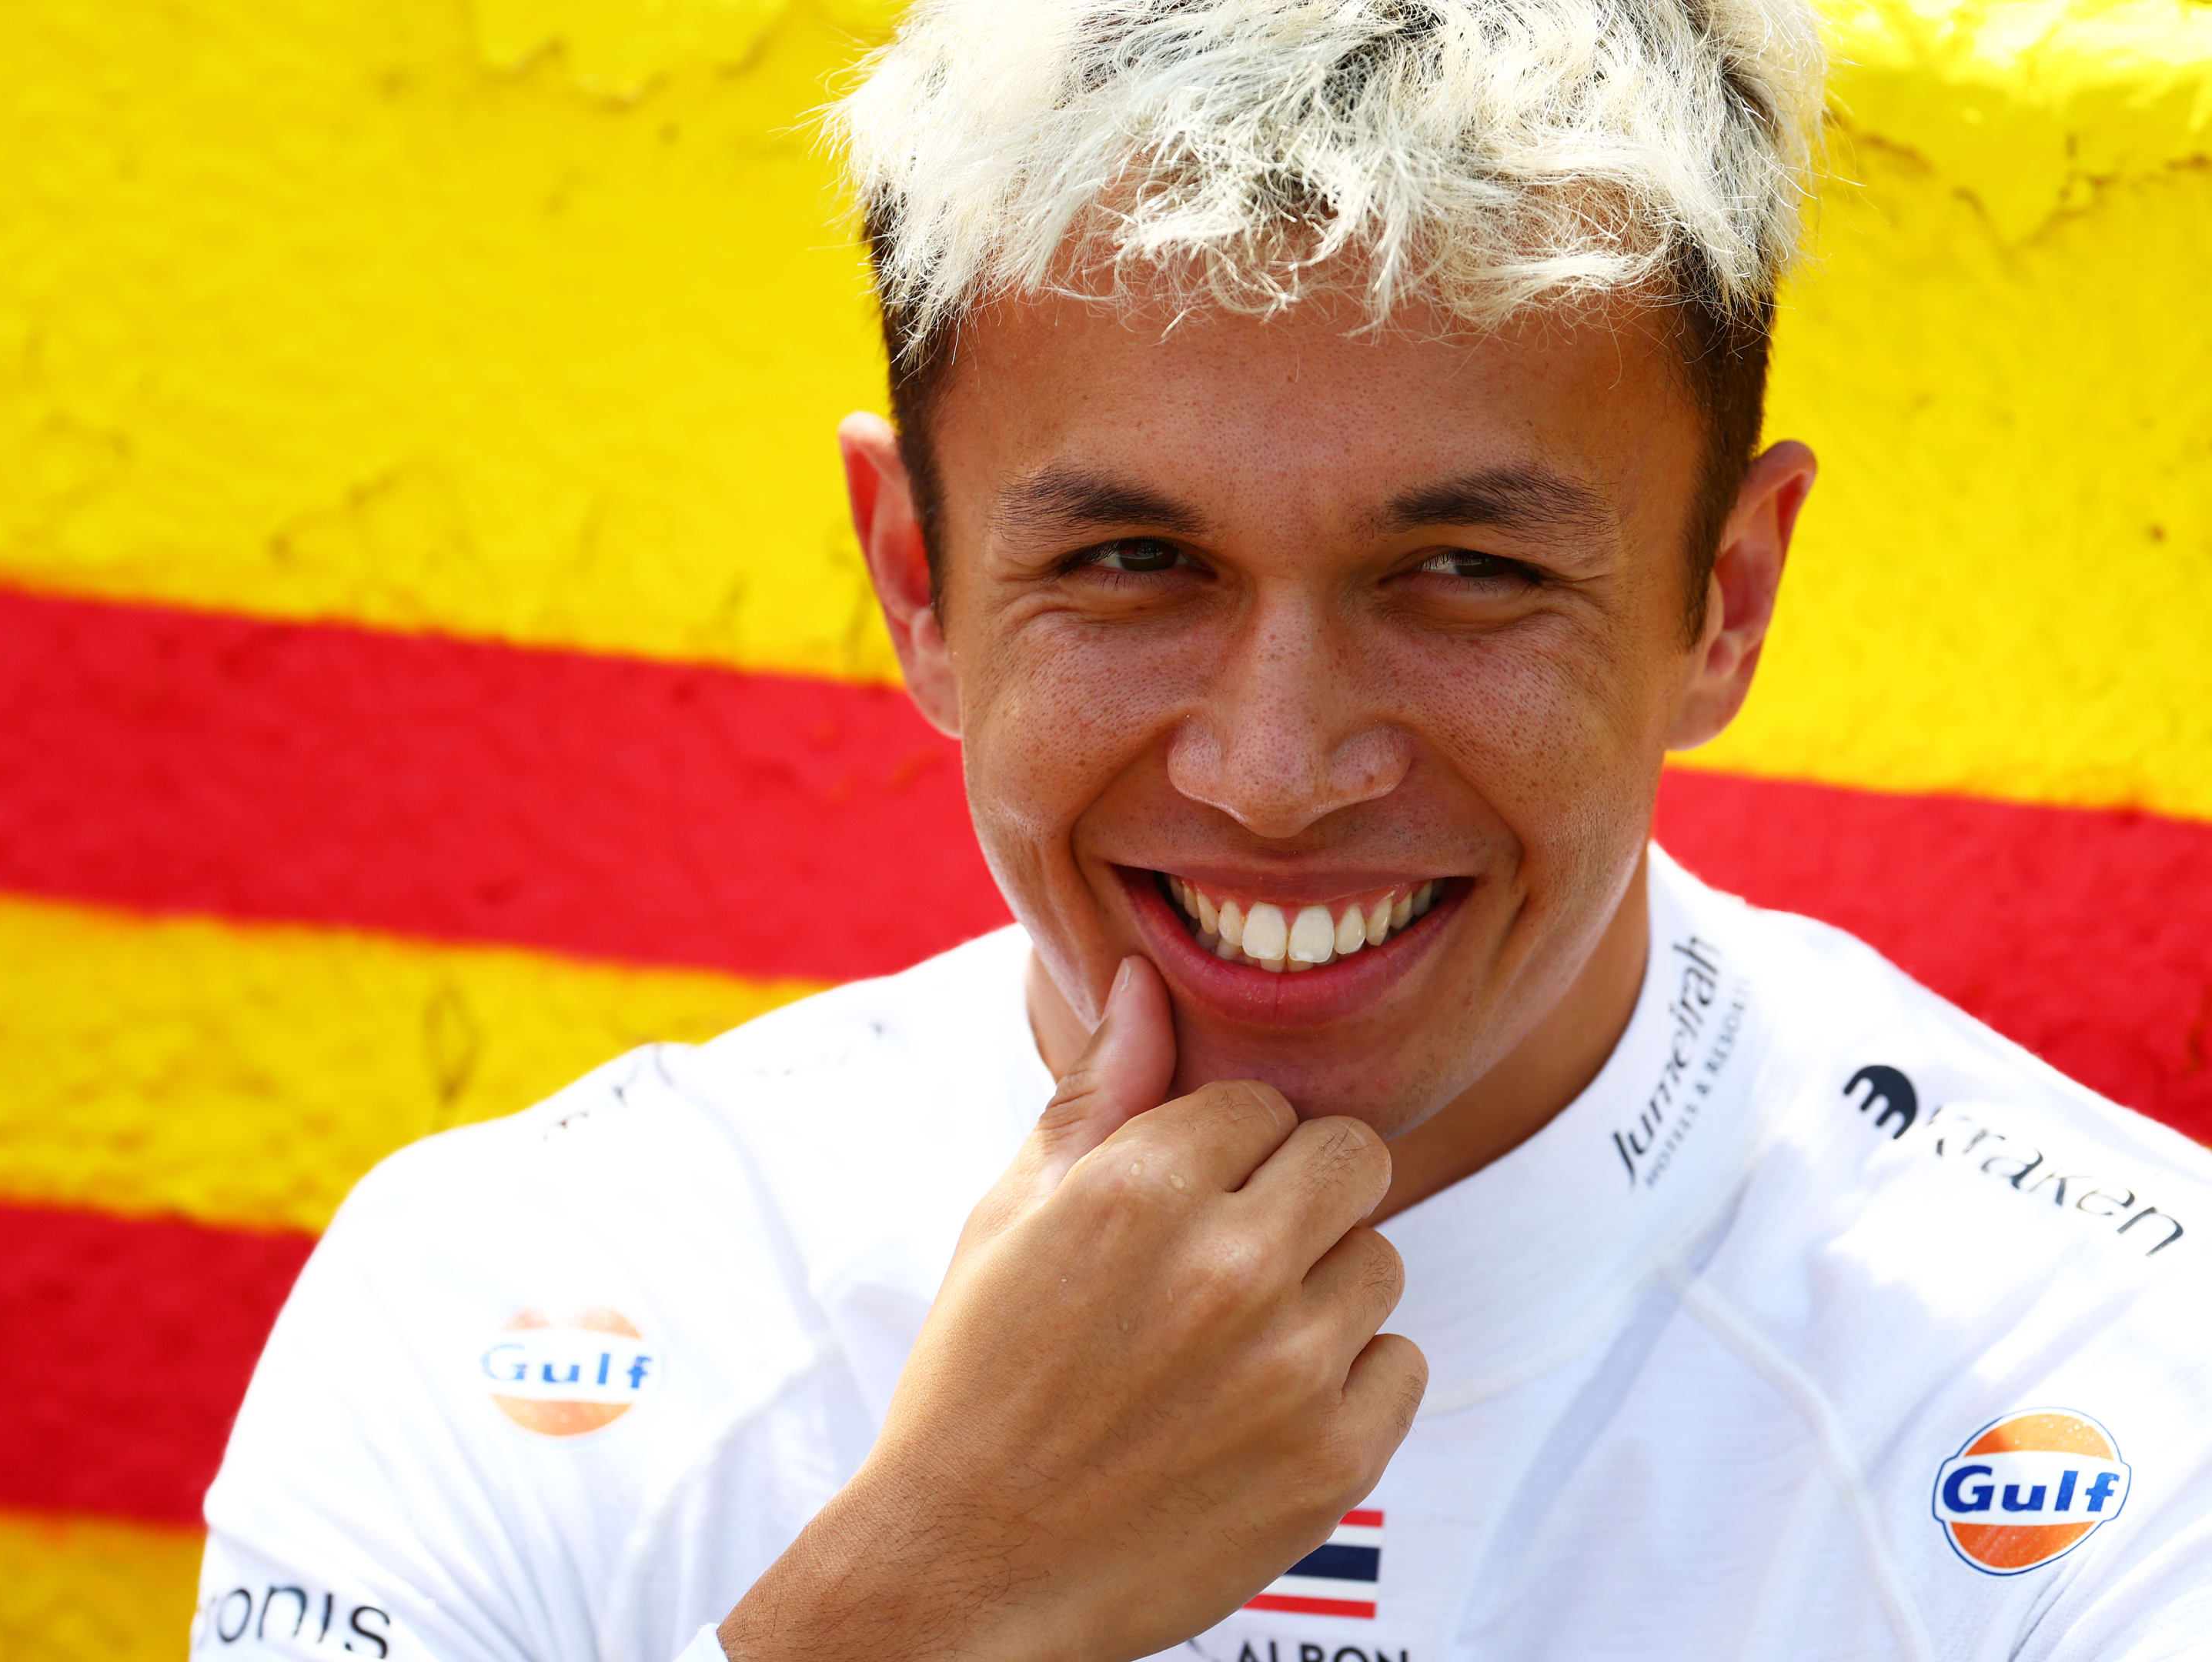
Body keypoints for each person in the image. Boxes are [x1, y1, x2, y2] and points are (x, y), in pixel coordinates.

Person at [192, 0, 2212, 1656]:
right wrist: (926, 1606)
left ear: (1727, 598)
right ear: (916, 578)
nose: (1275, 766)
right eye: (1139, 560)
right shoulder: (502, 1299)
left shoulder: (2130, 1388)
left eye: (1468, 575)